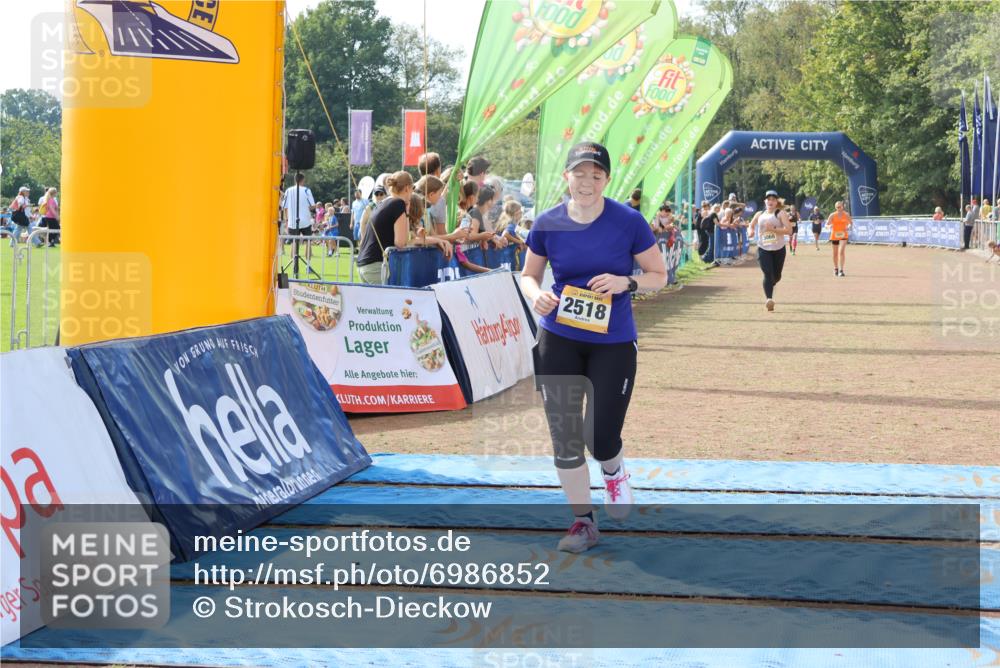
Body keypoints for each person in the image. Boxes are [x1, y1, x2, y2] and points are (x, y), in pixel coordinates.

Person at [520, 142, 667, 553]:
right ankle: (583, 522)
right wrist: (536, 296)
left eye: (596, 175)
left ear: (606, 180)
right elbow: (529, 275)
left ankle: (614, 469)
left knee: (600, 437)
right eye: (579, 174)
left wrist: (627, 282)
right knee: (565, 437)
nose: (586, 182)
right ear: (566, 176)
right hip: (559, 336)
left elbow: (660, 274)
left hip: (613, 341)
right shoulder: (548, 223)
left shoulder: (628, 221)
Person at [356, 172, 414, 284]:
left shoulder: (383, 202)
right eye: (413, 188)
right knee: (391, 301)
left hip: (364, 264)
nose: (413, 192)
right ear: (407, 188)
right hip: (376, 266)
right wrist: (406, 213)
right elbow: (401, 243)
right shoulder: (398, 203)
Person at [751, 190, 794, 311]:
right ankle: (769, 299)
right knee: (767, 273)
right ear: (765, 201)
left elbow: (789, 231)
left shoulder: (780, 214)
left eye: (773, 199)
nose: (770, 201)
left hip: (778, 249)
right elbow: (752, 224)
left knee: (776, 276)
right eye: (768, 199)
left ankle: (772, 282)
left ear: (776, 202)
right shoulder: (759, 214)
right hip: (763, 248)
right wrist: (751, 230)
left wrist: (773, 229)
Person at [405, 193, 453, 259]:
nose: (424, 210)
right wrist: (439, 241)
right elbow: (413, 240)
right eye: (421, 207)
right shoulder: (405, 225)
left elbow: (425, 238)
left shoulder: (419, 222)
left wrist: (441, 243)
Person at [827, 200, 853, 276]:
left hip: (843, 235)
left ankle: (841, 270)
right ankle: (836, 268)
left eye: (840, 206)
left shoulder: (846, 215)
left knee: (841, 251)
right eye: (837, 207)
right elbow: (826, 224)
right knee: (835, 254)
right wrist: (829, 226)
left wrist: (848, 226)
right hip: (835, 235)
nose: (839, 208)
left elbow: (851, 223)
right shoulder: (832, 215)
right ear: (835, 207)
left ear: (842, 206)